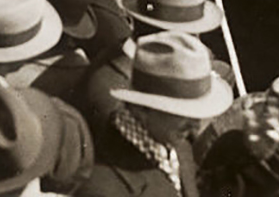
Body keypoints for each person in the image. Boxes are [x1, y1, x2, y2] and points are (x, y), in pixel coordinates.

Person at [79, 32, 234, 197]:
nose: (195, 126)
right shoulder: (104, 187)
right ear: (141, 108)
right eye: (183, 113)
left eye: (198, 113)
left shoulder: (178, 148)